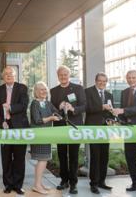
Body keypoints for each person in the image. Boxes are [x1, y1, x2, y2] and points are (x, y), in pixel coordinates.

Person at [0, 66, 29, 195]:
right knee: (6, 157)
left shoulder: (22, 88)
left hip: (20, 127)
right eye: (6, 74)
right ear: (3, 76)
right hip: (4, 127)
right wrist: (1, 120)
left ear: (15, 76)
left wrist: (10, 108)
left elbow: (24, 105)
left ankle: (18, 185)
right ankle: (8, 184)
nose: (9, 75)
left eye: (11, 74)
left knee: (19, 157)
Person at [50, 65, 86, 194]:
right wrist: (58, 107)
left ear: (69, 75)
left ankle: (73, 183)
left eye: (65, 74)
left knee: (74, 155)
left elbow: (84, 106)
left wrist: (73, 109)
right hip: (60, 127)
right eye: (61, 75)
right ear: (58, 76)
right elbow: (51, 108)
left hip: (74, 126)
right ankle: (64, 181)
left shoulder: (78, 88)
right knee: (61, 154)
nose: (63, 77)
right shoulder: (53, 91)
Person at [84, 72, 114, 194]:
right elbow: (87, 108)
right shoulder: (88, 92)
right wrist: (102, 107)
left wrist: (112, 118)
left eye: (104, 81)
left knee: (104, 156)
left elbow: (110, 111)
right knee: (95, 156)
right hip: (93, 128)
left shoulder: (109, 94)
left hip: (105, 129)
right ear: (96, 81)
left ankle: (102, 181)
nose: (102, 83)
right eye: (100, 81)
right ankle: (94, 183)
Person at [29, 81, 61, 195]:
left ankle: (39, 183)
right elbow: (37, 120)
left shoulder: (47, 103)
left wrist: (62, 108)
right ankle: (37, 185)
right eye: (41, 90)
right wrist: (51, 118)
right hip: (39, 135)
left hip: (47, 134)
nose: (44, 91)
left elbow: (57, 113)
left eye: (45, 89)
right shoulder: (34, 104)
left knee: (44, 160)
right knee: (42, 160)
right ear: (36, 92)